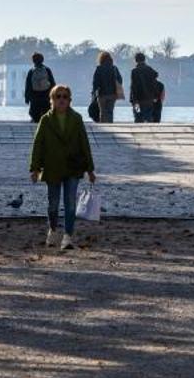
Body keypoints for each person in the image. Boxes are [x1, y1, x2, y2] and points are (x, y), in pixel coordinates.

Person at [29, 85, 94, 252]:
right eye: (58, 96)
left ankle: (68, 236)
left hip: (73, 167)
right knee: (53, 204)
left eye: (65, 96)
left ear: (70, 100)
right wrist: (34, 168)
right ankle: (53, 230)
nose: (61, 99)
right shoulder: (46, 120)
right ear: (52, 100)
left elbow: (84, 143)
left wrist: (90, 169)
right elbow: (38, 144)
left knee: (71, 204)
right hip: (52, 167)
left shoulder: (77, 118)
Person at [128, 51, 164, 123]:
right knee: (148, 117)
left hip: (137, 100)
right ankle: (149, 132)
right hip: (149, 99)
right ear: (144, 60)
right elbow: (154, 83)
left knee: (137, 116)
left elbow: (133, 86)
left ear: (136, 60)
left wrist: (132, 99)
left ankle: (138, 132)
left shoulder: (134, 71)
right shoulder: (150, 70)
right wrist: (156, 96)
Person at [90, 51, 123, 123]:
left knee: (102, 112)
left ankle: (103, 126)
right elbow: (120, 80)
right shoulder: (114, 68)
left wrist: (93, 92)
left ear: (101, 59)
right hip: (112, 94)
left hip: (101, 94)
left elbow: (95, 82)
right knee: (110, 111)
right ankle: (110, 126)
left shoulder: (99, 69)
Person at [23, 52, 56, 122]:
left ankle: (35, 119)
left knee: (35, 113)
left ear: (33, 61)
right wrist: (54, 94)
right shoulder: (47, 70)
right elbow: (52, 83)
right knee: (46, 111)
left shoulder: (31, 71)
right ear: (42, 60)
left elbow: (28, 85)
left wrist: (27, 98)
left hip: (35, 96)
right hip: (46, 95)